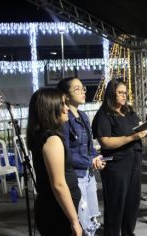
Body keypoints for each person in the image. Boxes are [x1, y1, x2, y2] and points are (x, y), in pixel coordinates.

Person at [91, 79, 147, 236]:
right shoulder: (104, 114)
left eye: (125, 92)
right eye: (120, 92)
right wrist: (131, 137)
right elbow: (106, 142)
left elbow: (140, 129)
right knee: (116, 206)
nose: (124, 96)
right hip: (116, 165)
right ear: (111, 94)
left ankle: (128, 233)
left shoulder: (128, 111)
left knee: (132, 203)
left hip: (134, 161)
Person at [26, 88, 82, 236]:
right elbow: (58, 184)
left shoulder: (43, 136)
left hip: (54, 209)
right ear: (49, 109)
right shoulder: (52, 140)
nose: (66, 108)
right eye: (61, 104)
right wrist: (75, 221)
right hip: (57, 212)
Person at [57, 77, 105, 236]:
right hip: (76, 176)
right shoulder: (64, 119)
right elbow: (66, 153)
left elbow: (89, 146)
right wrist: (89, 160)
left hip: (89, 173)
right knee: (81, 221)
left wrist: (96, 157)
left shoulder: (83, 116)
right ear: (65, 96)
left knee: (91, 221)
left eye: (83, 88)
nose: (83, 92)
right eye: (77, 89)